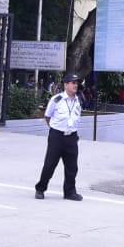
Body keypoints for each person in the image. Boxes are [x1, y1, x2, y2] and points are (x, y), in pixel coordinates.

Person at [35, 73, 84, 201]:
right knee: (50, 165)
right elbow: (47, 116)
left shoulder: (78, 100)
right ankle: (40, 189)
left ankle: (70, 192)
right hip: (57, 136)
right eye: (73, 83)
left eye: (77, 83)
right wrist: (54, 130)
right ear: (66, 84)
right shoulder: (57, 99)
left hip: (72, 136)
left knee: (72, 167)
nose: (76, 85)